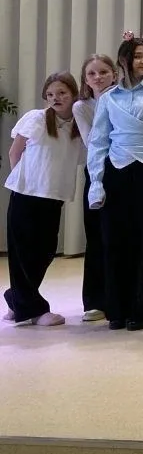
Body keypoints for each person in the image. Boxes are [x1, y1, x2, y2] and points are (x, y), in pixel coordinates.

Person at [88, 31, 143, 331]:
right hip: (115, 170)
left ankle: (141, 311)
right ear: (123, 60)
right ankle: (116, 309)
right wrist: (96, 182)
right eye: (137, 56)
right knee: (114, 241)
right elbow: (98, 141)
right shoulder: (108, 97)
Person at [3, 72, 84, 327]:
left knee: (45, 251)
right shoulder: (36, 118)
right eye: (50, 94)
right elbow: (14, 152)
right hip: (26, 195)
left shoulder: (79, 125)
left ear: (74, 94)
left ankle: (17, 298)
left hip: (53, 197)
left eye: (62, 93)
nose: (55, 98)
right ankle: (34, 310)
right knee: (23, 253)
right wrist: (24, 182)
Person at [72, 54, 117, 322]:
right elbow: (93, 141)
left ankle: (119, 298)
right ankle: (95, 300)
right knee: (97, 235)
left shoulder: (124, 99)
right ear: (85, 79)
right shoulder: (82, 106)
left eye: (103, 72)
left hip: (123, 171)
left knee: (120, 235)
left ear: (114, 74)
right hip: (97, 173)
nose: (98, 77)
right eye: (92, 73)